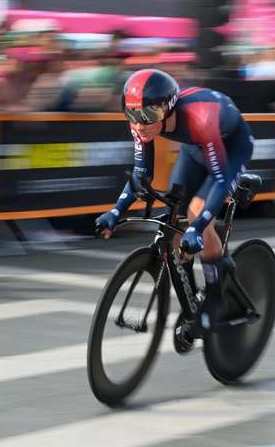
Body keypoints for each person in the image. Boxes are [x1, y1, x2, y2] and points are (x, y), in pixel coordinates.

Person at [94, 69, 254, 351]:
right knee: (173, 215)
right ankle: (191, 299)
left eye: (147, 117)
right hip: (195, 148)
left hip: (231, 145)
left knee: (196, 215)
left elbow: (218, 179)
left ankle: (214, 299)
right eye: (133, 115)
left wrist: (197, 226)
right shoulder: (141, 121)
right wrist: (116, 212)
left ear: (166, 109)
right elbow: (140, 176)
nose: (140, 125)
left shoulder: (199, 116)